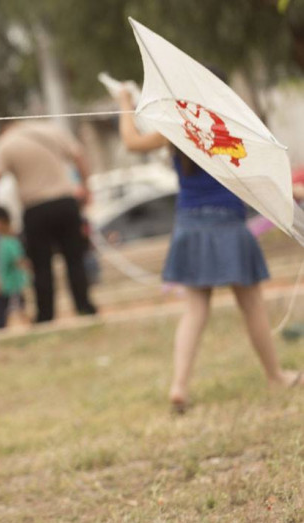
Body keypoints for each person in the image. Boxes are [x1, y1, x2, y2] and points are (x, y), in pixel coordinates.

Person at [115, 88, 301, 411]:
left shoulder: (176, 128)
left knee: (195, 310)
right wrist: (293, 189)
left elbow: (131, 142)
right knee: (252, 306)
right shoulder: (231, 129)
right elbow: (257, 177)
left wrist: (124, 105)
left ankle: (179, 386)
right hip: (228, 224)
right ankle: (275, 376)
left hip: (190, 226)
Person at [0, 121, 97, 323]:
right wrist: (86, 188)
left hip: (35, 208)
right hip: (65, 201)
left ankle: (46, 314)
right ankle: (84, 306)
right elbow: (79, 155)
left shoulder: (5, 144)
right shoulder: (51, 130)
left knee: (41, 266)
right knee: (74, 260)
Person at [0, 205, 32, 326]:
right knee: (14, 307)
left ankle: (26, 323)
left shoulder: (7, 242)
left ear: (1, 223)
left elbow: (18, 260)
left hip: (12, 283)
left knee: (15, 307)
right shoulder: (4, 241)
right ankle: (26, 323)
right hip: (9, 283)